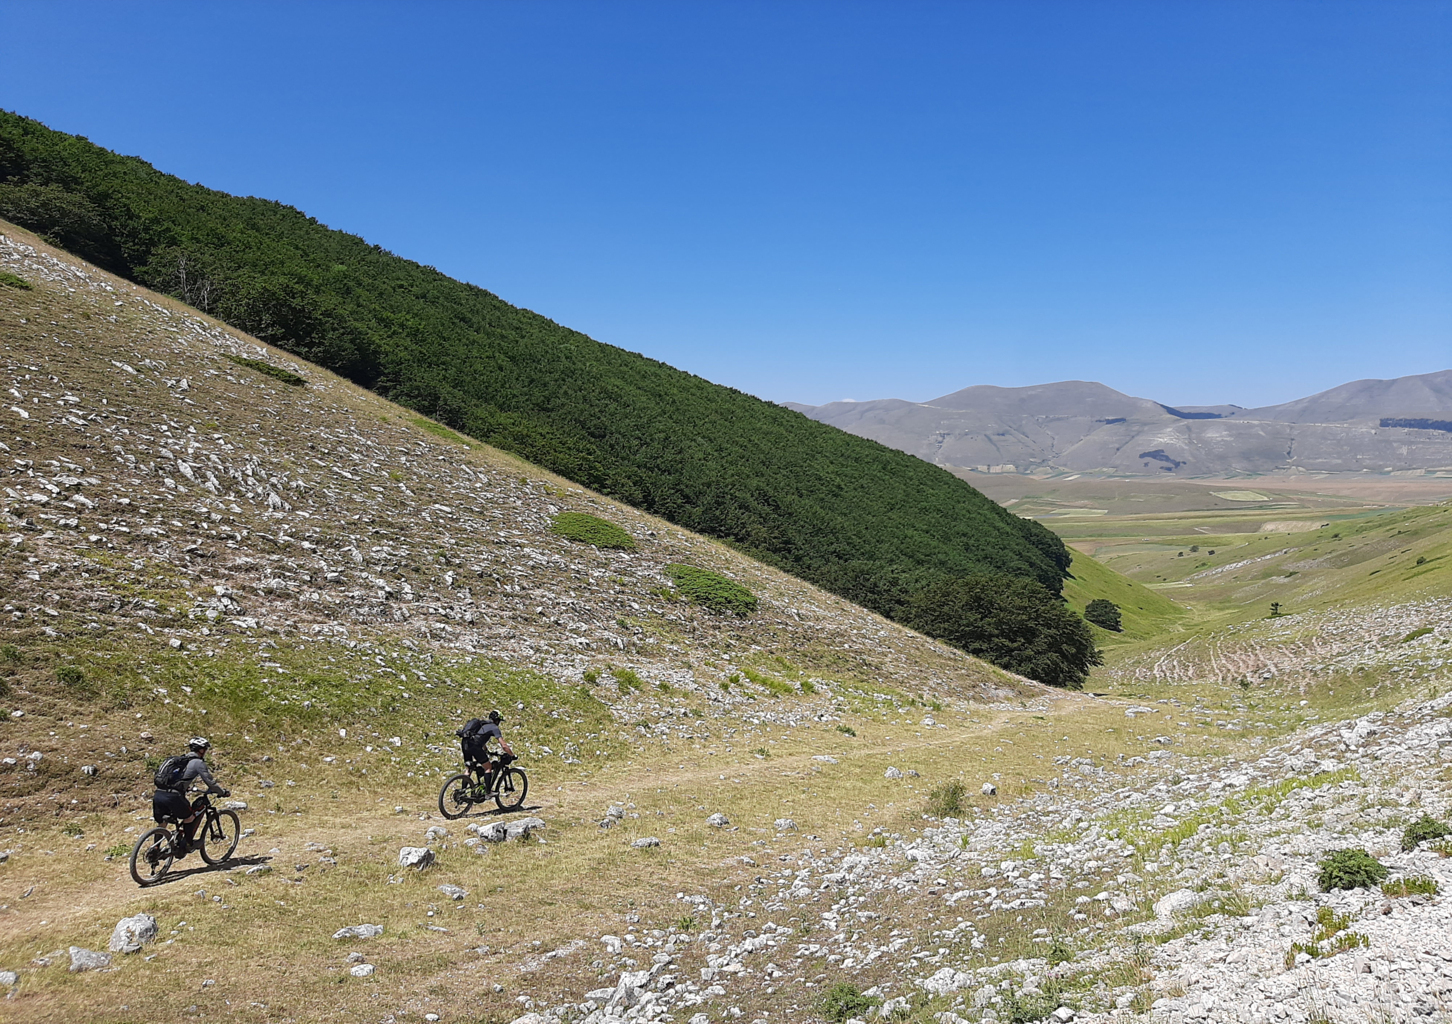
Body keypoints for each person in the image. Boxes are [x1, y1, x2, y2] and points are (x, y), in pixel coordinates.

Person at [151, 736, 229, 856]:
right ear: (202, 750)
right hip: (173, 797)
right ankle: (188, 843)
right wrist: (222, 792)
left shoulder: (180, 761)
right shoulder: (198, 763)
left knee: (163, 822)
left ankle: (155, 849)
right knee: (189, 817)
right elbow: (210, 782)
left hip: (159, 794)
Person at [456, 710, 513, 789]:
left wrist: (486, 750)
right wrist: (512, 755)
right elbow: (504, 746)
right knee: (488, 767)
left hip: (465, 743)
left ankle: (462, 792)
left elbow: (479, 737)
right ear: (497, 720)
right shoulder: (494, 728)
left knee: (469, 769)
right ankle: (488, 792)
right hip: (475, 746)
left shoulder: (482, 724)